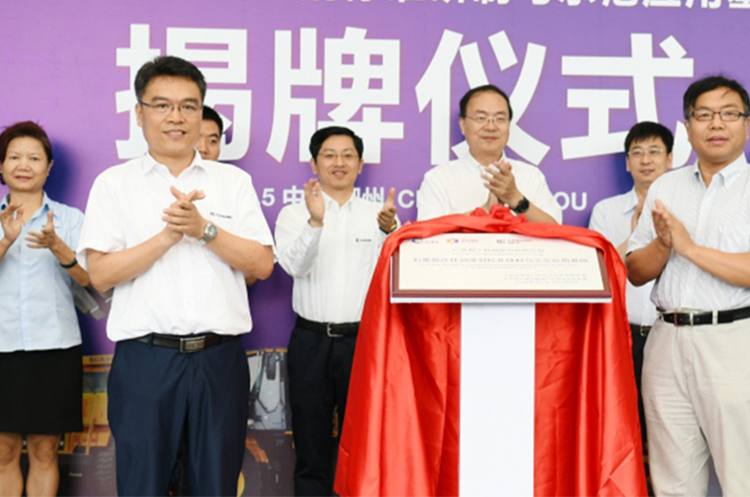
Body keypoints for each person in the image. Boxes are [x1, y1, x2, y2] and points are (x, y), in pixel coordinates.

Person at [78, 56, 274, 497]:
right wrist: (168, 236)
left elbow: (261, 264)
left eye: (188, 106)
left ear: (201, 113)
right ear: (139, 113)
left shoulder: (232, 183)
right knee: (142, 485)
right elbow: (100, 274)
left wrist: (204, 230)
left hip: (219, 361)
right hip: (146, 362)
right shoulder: (114, 184)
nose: (176, 117)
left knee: (216, 485)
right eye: (162, 105)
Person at [627, 75, 750, 497]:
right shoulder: (666, 186)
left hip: (733, 341)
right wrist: (664, 243)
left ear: (746, 124)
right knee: (672, 482)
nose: (716, 123)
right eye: (704, 114)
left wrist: (689, 248)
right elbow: (635, 271)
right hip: (667, 340)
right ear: (687, 126)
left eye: (729, 113)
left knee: (742, 477)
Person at [275, 126, 398, 496]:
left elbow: (395, 277)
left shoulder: (380, 215)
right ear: (314, 164)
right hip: (310, 340)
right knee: (310, 445)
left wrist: (391, 232)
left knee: (362, 443)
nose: (339, 163)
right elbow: (294, 267)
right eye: (329, 155)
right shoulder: (294, 214)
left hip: (363, 343)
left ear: (360, 164)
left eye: (348, 155)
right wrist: (315, 223)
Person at [0, 121, 88, 497]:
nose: (24, 165)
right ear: (1, 165)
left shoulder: (70, 219)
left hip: (54, 347)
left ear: (49, 167)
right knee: (3, 452)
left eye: (34, 158)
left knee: (44, 451)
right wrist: (6, 241)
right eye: (14, 157)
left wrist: (58, 247)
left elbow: (92, 279)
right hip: (1, 347)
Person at [589, 121, 673, 455]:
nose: (645, 160)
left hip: (669, 333)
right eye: (637, 153)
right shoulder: (606, 211)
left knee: (668, 430)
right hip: (623, 335)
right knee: (624, 430)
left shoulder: (685, 209)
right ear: (627, 162)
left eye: (654, 151)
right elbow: (599, 273)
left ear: (670, 159)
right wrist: (635, 233)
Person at [416, 84, 562, 223]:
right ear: (463, 124)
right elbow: (427, 232)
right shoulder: (438, 179)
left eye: (500, 119)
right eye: (481, 118)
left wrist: (516, 199)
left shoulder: (531, 176)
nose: (491, 127)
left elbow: (555, 230)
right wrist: (485, 211)